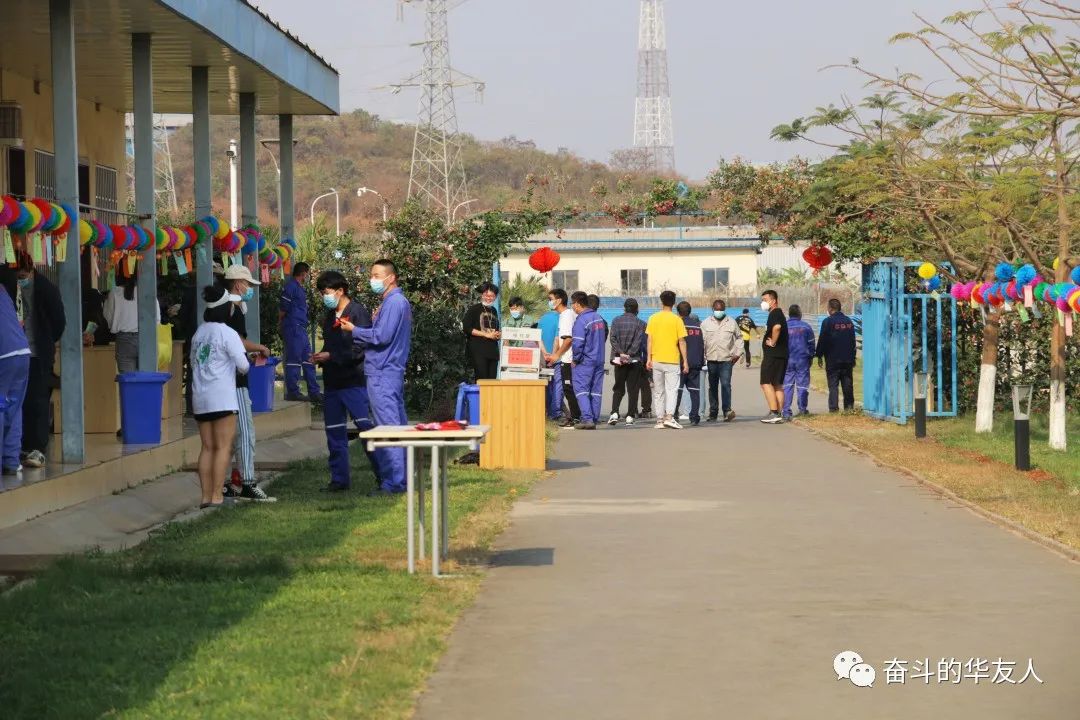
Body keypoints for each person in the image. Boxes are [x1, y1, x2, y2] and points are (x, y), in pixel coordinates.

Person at [339, 259, 412, 495]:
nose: (373, 280)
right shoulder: (395, 302)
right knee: (397, 428)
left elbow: (382, 336)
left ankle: (394, 482)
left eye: (377, 275)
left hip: (382, 372)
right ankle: (401, 479)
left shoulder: (394, 302)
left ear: (391, 277)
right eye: (371, 275)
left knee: (387, 429)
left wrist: (354, 330)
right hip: (389, 371)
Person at [311, 271, 376, 492]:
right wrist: (321, 356)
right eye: (322, 293)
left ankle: (386, 476)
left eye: (327, 292)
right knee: (334, 432)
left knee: (366, 429)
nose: (324, 297)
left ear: (340, 291)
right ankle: (339, 480)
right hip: (332, 383)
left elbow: (360, 348)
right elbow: (331, 346)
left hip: (353, 381)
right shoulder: (330, 316)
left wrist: (331, 356)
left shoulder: (357, 313)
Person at [190, 284, 249, 508]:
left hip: (200, 397)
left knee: (207, 447)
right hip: (222, 398)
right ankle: (217, 496)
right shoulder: (228, 333)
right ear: (225, 308)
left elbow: (194, 361)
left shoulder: (199, 333)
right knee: (223, 447)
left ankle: (205, 497)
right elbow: (243, 365)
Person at [220, 264, 274, 501]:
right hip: (235, 380)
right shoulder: (233, 309)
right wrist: (260, 348)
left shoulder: (222, 310)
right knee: (245, 432)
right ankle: (248, 482)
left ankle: (229, 482)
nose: (249, 289)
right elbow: (238, 342)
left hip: (222, 380)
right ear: (237, 284)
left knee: (226, 436)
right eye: (248, 284)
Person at [12, 252, 64, 469]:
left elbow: (59, 321)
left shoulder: (46, 289)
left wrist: (47, 341)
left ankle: (37, 448)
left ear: (32, 271)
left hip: (37, 354)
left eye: (23, 276)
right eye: (17, 276)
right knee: (19, 402)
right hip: (16, 354)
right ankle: (20, 447)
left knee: (38, 401)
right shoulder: (9, 287)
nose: (20, 280)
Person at [645, 290, 688, 430]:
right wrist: (685, 361)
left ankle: (659, 420)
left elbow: (649, 340)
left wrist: (648, 358)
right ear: (674, 303)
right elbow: (682, 341)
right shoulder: (677, 320)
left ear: (661, 301)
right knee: (672, 390)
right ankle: (669, 417)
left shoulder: (653, 318)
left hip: (656, 359)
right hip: (672, 360)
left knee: (658, 391)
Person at [280, 262, 322, 403]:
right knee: (294, 360)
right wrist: (281, 323)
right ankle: (293, 392)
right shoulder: (291, 286)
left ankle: (314, 392)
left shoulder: (299, 288)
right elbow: (283, 307)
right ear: (303, 273)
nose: (307, 277)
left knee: (308, 359)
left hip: (301, 328)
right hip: (293, 327)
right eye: (307, 274)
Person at [104, 273, 159, 374]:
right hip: (147, 339)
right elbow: (157, 320)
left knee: (128, 380)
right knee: (147, 379)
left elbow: (108, 319)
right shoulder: (148, 291)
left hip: (124, 341)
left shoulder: (114, 292)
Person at [0, 288, 29, 477]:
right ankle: (11, 461)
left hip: (3, 355)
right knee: (14, 407)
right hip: (22, 351)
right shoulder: (2, 290)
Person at [544, 288, 580, 428]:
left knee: (569, 389)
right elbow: (559, 339)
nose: (549, 302)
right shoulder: (565, 315)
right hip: (566, 358)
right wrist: (554, 354)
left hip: (567, 359)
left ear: (559, 300)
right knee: (567, 389)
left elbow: (568, 339)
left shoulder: (566, 315)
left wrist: (557, 355)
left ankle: (576, 417)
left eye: (550, 299)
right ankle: (573, 416)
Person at [569, 291, 605, 430]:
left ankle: (587, 419)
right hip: (599, 360)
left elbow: (577, 343)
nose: (572, 306)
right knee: (595, 390)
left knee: (581, 390)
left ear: (578, 304)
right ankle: (594, 418)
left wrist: (575, 359)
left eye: (573, 303)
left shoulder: (581, 320)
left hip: (585, 361)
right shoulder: (598, 318)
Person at [701, 299, 741, 422]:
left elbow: (739, 337)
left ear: (724, 309)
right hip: (711, 360)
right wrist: (702, 357)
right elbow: (701, 341)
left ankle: (727, 411)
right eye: (717, 309)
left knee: (725, 385)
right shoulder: (705, 323)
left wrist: (737, 353)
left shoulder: (732, 322)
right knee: (712, 387)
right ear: (713, 309)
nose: (719, 311)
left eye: (721, 309)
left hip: (726, 360)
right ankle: (713, 412)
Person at [607, 297, 645, 425]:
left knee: (618, 387)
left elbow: (612, 339)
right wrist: (629, 354)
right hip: (634, 360)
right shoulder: (641, 323)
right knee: (633, 389)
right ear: (637, 309)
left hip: (619, 359)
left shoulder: (616, 321)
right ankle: (630, 415)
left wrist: (621, 353)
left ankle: (614, 413)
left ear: (624, 308)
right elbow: (638, 342)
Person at [817, 298, 858, 412]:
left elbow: (822, 340)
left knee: (833, 385)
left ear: (830, 309)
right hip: (847, 359)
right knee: (847, 385)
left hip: (832, 359)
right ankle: (849, 408)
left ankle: (834, 409)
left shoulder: (827, 322)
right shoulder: (848, 321)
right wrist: (853, 357)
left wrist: (819, 355)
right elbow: (852, 341)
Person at [759, 290, 788, 424]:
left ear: (773, 301)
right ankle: (778, 414)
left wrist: (773, 342)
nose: (763, 303)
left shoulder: (775, 313)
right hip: (781, 355)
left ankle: (774, 412)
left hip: (773, 355)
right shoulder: (779, 313)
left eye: (765, 300)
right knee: (777, 384)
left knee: (765, 382)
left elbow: (777, 327)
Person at [782, 304, 816, 419]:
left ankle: (786, 411)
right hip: (802, 360)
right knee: (802, 386)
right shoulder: (806, 327)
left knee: (787, 385)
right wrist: (811, 357)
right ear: (800, 314)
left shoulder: (784, 326)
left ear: (789, 314)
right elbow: (811, 344)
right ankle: (802, 409)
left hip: (787, 360)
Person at [462, 282, 500, 381]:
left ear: (495, 297)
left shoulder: (494, 311)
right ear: (482, 295)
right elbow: (466, 328)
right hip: (478, 351)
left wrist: (497, 334)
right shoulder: (474, 309)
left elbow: (495, 329)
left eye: (492, 296)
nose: (488, 298)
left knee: (492, 382)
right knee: (482, 380)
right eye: (486, 295)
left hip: (492, 351)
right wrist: (486, 335)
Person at [674, 301, 705, 425]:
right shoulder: (697, 326)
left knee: (677, 390)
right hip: (696, 362)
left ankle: (674, 414)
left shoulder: (678, 324)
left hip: (681, 362)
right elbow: (701, 345)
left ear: (678, 312)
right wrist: (701, 361)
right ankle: (694, 416)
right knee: (694, 391)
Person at [536, 299, 562, 420]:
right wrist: (553, 355)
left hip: (543, 357)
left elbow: (538, 338)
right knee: (557, 385)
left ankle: (546, 411)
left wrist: (544, 353)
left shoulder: (543, 318)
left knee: (546, 384)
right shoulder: (561, 318)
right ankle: (555, 412)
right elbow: (557, 339)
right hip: (557, 358)